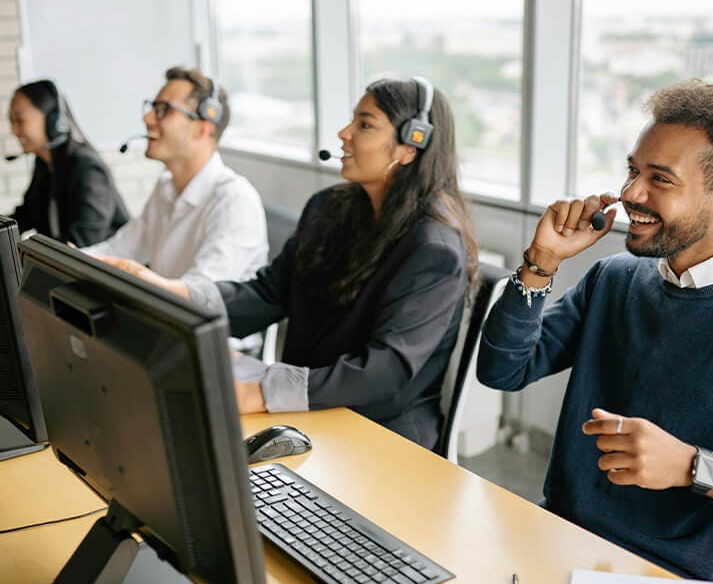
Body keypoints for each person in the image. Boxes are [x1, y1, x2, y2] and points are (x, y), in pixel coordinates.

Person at [477, 79, 713, 584]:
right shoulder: (615, 278)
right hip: (559, 538)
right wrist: (540, 263)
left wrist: (694, 467)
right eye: (633, 170)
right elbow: (503, 369)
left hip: (683, 582)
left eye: (660, 179)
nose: (631, 193)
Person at [106, 77, 478, 450]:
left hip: (380, 434)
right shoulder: (328, 208)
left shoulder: (434, 249)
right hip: (305, 415)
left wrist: (261, 395)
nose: (344, 133)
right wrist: (174, 292)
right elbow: (267, 294)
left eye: (364, 125)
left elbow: (385, 372)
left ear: (412, 145)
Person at [82, 67, 267, 284]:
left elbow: (201, 293)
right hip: (170, 313)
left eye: (163, 110)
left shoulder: (234, 199)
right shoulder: (166, 187)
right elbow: (120, 249)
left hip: (206, 317)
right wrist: (66, 259)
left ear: (203, 129)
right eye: (152, 108)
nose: (148, 118)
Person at [8, 79, 129, 246]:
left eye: (20, 121)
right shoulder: (45, 165)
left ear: (53, 121)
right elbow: (26, 215)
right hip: (68, 266)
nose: (14, 130)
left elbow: (85, 240)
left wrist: (30, 255)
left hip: (103, 267)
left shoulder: (86, 166)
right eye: (11, 121)